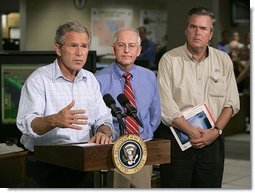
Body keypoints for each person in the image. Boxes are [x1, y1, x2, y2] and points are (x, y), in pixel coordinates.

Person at [16, 21, 116, 188]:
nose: (79, 53)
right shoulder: (39, 79)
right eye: (73, 46)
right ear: (58, 49)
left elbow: (104, 118)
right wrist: (53, 120)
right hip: (47, 167)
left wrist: (103, 132)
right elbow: (26, 123)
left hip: (83, 164)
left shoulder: (90, 79)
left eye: (84, 46)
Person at [154, 7, 240, 188]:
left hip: (212, 141)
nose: (197, 33)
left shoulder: (223, 60)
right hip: (178, 140)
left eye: (203, 28)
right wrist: (191, 130)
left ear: (210, 33)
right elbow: (165, 105)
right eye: (193, 27)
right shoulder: (169, 60)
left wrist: (215, 131)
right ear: (186, 30)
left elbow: (231, 103)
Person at [95, 27, 161, 188]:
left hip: (142, 146)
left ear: (139, 51)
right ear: (113, 49)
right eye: (121, 45)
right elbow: (95, 118)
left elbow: (155, 114)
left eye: (131, 46)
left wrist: (142, 134)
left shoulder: (149, 77)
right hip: (112, 148)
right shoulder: (98, 79)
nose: (126, 50)